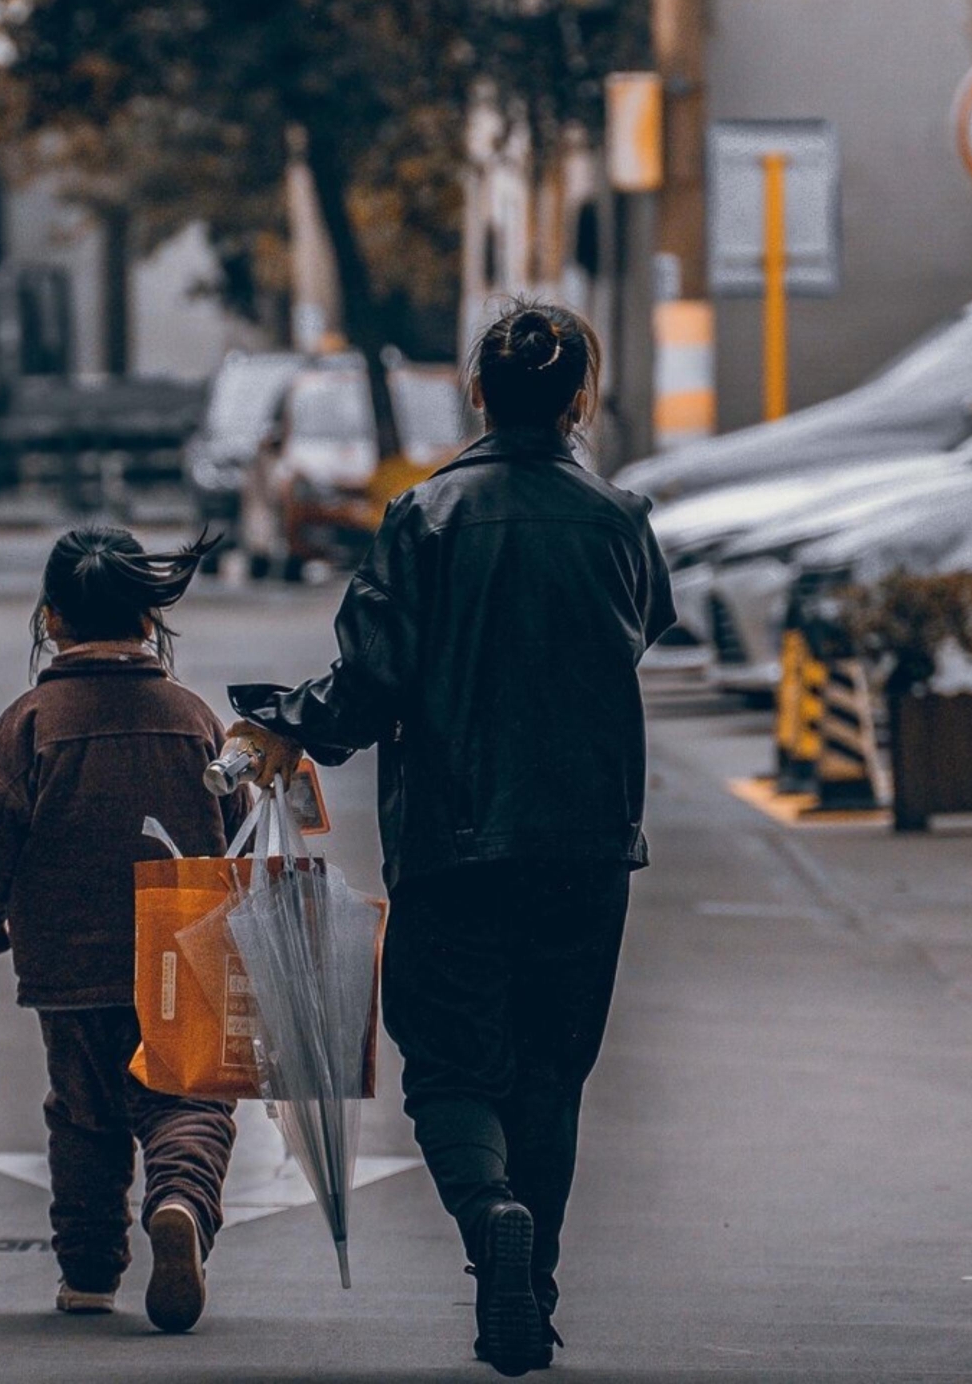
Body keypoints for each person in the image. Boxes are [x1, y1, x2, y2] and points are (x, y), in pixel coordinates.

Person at [230, 302, 674, 1377]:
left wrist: (286, 721)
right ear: (579, 398)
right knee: (549, 1073)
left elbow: (371, 678)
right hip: (589, 841)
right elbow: (643, 626)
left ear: (475, 390)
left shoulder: (425, 517)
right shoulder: (619, 518)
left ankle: (489, 1222)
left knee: (446, 1065)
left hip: (454, 838)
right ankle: (530, 1290)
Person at [0, 527, 243, 1334]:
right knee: (187, 1100)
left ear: (51, 619)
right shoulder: (192, 719)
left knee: (82, 1111)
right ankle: (179, 1200)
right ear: (150, 622)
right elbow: (240, 830)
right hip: (185, 947)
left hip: (69, 961)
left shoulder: (33, 724)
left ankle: (86, 1276)